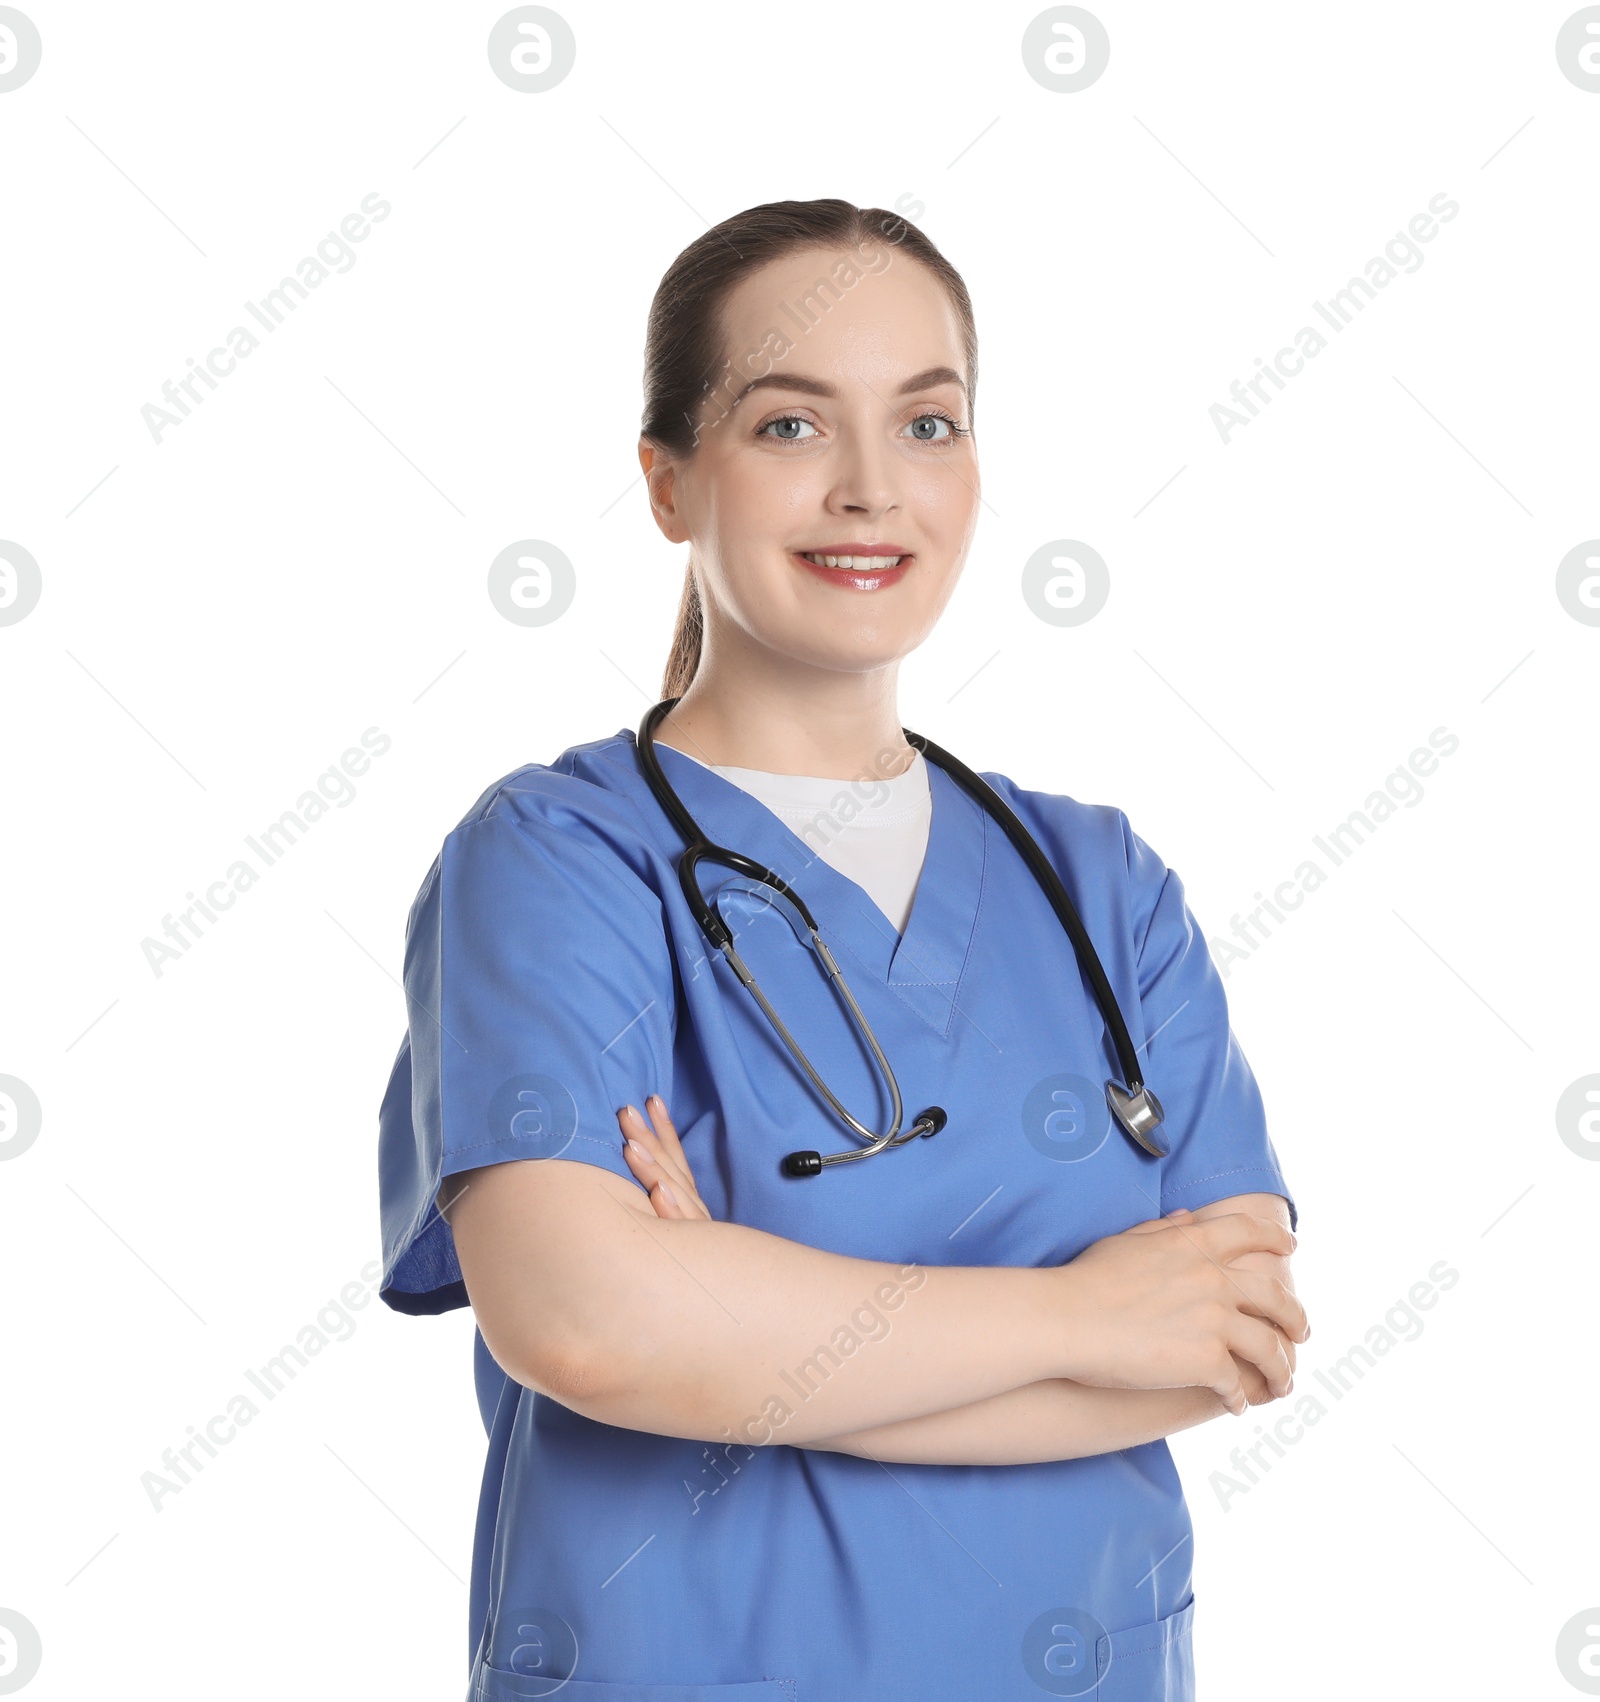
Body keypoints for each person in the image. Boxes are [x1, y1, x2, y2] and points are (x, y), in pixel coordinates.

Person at [377, 197, 1307, 1702]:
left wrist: (742, 1332)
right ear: (668, 482)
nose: (873, 488)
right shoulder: (555, 859)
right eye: (794, 425)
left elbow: (1230, 1343)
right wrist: (1081, 1316)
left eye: (928, 423)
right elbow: (594, 1325)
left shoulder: (1098, 881)